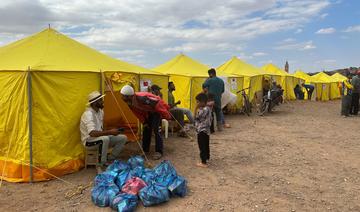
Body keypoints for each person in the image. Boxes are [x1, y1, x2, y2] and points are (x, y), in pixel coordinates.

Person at [120, 85, 170, 160]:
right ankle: (145, 150)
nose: (123, 98)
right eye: (122, 96)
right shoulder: (129, 102)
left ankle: (159, 151)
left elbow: (157, 104)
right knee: (146, 128)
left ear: (130, 96)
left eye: (124, 96)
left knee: (157, 130)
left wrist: (166, 115)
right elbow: (136, 112)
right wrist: (144, 121)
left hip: (156, 110)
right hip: (148, 112)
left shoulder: (142, 98)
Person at [80, 91, 127, 167]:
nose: (103, 102)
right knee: (105, 139)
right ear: (95, 103)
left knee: (123, 138)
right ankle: (101, 163)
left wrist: (114, 131)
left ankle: (110, 158)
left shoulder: (100, 112)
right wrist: (110, 132)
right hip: (89, 142)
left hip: (100, 138)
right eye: (100, 100)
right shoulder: (88, 114)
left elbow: (103, 128)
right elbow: (92, 133)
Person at [194, 93, 212, 168]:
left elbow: (197, 117)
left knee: (202, 146)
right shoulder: (208, 108)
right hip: (206, 130)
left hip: (202, 130)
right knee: (206, 145)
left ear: (203, 102)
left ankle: (203, 162)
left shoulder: (204, 109)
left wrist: (195, 109)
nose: (197, 103)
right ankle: (207, 158)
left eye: (198, 102)